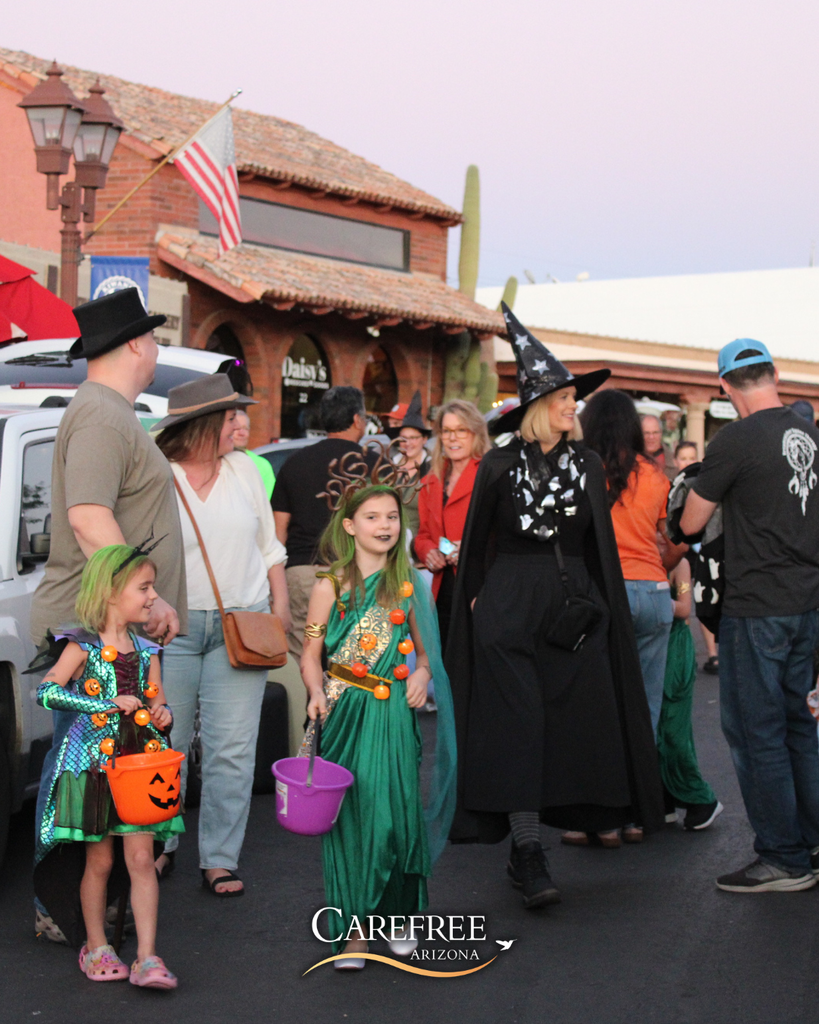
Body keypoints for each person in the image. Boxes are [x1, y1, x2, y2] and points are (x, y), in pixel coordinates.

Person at [445, 305, 664, 908]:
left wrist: (608, 615)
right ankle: (528, 850)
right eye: (567, 398)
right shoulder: (496, 464)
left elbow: (597, 551)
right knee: (517, 727)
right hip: (509, 609)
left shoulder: (589, 464)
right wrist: (476, 613)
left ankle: (566, 826)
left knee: (572, 726)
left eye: (576, 399)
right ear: (543, 406)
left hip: (574, 613)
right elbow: (476, 552)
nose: (576, 407)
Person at [30, 287, 187, 943]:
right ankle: (59, 901)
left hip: (113, 630)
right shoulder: (100, 414)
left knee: (108, 764)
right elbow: (89, 518)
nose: (155, 347)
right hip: (92, 628)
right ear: (134, 344)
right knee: (78, 768)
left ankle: (95, 901)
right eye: (151, 337)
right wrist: (143, 598)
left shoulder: (109, 411)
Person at [681, 339, 819, 893]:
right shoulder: (810, 431)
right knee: (797, 727)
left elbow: (691, 524)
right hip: (807, 600)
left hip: (759, 603)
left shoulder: (735, 438)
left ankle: (784, 858)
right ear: (775, 375)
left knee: (754, 730)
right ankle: (808, 841)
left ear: (723, 387)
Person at [300, 481, 455, 969]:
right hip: (345, 709)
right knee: (352, 819)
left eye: (392, 517)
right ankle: (353, 934)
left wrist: (424, 674)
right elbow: (310, 654)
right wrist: (313, 692)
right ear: (349, 526)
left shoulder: (410, 586)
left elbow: (427, 653)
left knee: (396, 813)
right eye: (372, 517)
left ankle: (401, 915)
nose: (385, 525)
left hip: (392, 713)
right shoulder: (329, 584)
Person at [154, 374, 290, 896]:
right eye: (231, 416)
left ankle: (219, 857)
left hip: (244, 622)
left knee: (232, 748)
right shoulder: (159, 475)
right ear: (202, 425)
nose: (240, 424)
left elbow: (268, 546)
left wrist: (278, 605)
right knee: (167, 743)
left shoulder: (244, 472)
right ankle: (162, 845)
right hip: (174, 627)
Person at [36, 545, 181, 988]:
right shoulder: (81, 646)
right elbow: (45, 692)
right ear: (111, 592)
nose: (153, 596)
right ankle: (95, 946)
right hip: (93, 767)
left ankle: (148, 957)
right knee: (97, 861)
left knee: (141, 857)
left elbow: (159, 701)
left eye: (152, 586)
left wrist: (163, 714)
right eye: (144, 587)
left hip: (140, 767)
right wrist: (101, 703)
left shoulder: (149, 650)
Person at [583, 391, 679, 744]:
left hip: (606, 592)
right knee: (646, 706)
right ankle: (644, 793)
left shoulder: (585, 470)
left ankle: (608, 790)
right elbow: (679, 542)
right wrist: (660, 565)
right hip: (654, 592)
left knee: (601, 703)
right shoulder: (655, 474)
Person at [272, 386, 376, 658]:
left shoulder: (294, 462)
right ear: (357, 420)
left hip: (302, 573)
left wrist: (276, 587)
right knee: (355, 661)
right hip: (357, 574)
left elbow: (278, 532)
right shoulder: (373, 466)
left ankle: (304, 703)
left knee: (301, 657)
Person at [655, 531, 723, 830]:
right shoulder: (640, 560)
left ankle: (702, 800)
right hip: (654, 649)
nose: (656, 538)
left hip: (675, 651)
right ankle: (663, 801)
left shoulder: (679, 564)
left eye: (660, 534)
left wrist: (645, 597)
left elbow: (684, 609)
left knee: (673, 733)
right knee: (654, 730)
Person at [414, 400, 490, 650]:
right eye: (446, 431)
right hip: (444, 587)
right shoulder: (430, 480)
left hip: (479, 584)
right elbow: (423, 535)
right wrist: (429, 553)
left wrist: (468, 548)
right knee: (446, 662)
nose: (452, 438)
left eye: (461, 430)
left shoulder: (489, 474)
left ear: (475, 433)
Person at [673, 441, 720, 674]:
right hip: (682, 551)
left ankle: (712, 653)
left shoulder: (707, 482)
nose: (688, 462)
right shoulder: (674, 486)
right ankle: (685, 652)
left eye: (692, 457)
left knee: (703, 599)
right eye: (683, 458)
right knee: (684, 603)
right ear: (675, 461)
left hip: (703, 549)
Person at [386, 390, 432, 542]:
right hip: (386, 537)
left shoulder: (433, 468)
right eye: (404, 438)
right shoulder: (388, 464)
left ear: (424, 439)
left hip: (417, 543)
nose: (408, 443)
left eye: (413, 438)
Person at [232, 409, 275, 499]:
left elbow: (267, 502)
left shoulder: (262, 465)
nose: (242, 433)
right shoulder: (216, 461)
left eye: (245, 428)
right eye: (237, 429)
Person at [641, 414, 675, 479]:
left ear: (661, 433)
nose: (651, 437)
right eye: (646, 433)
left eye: (655, 432)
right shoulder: (630, 460)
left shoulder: (674, 461)